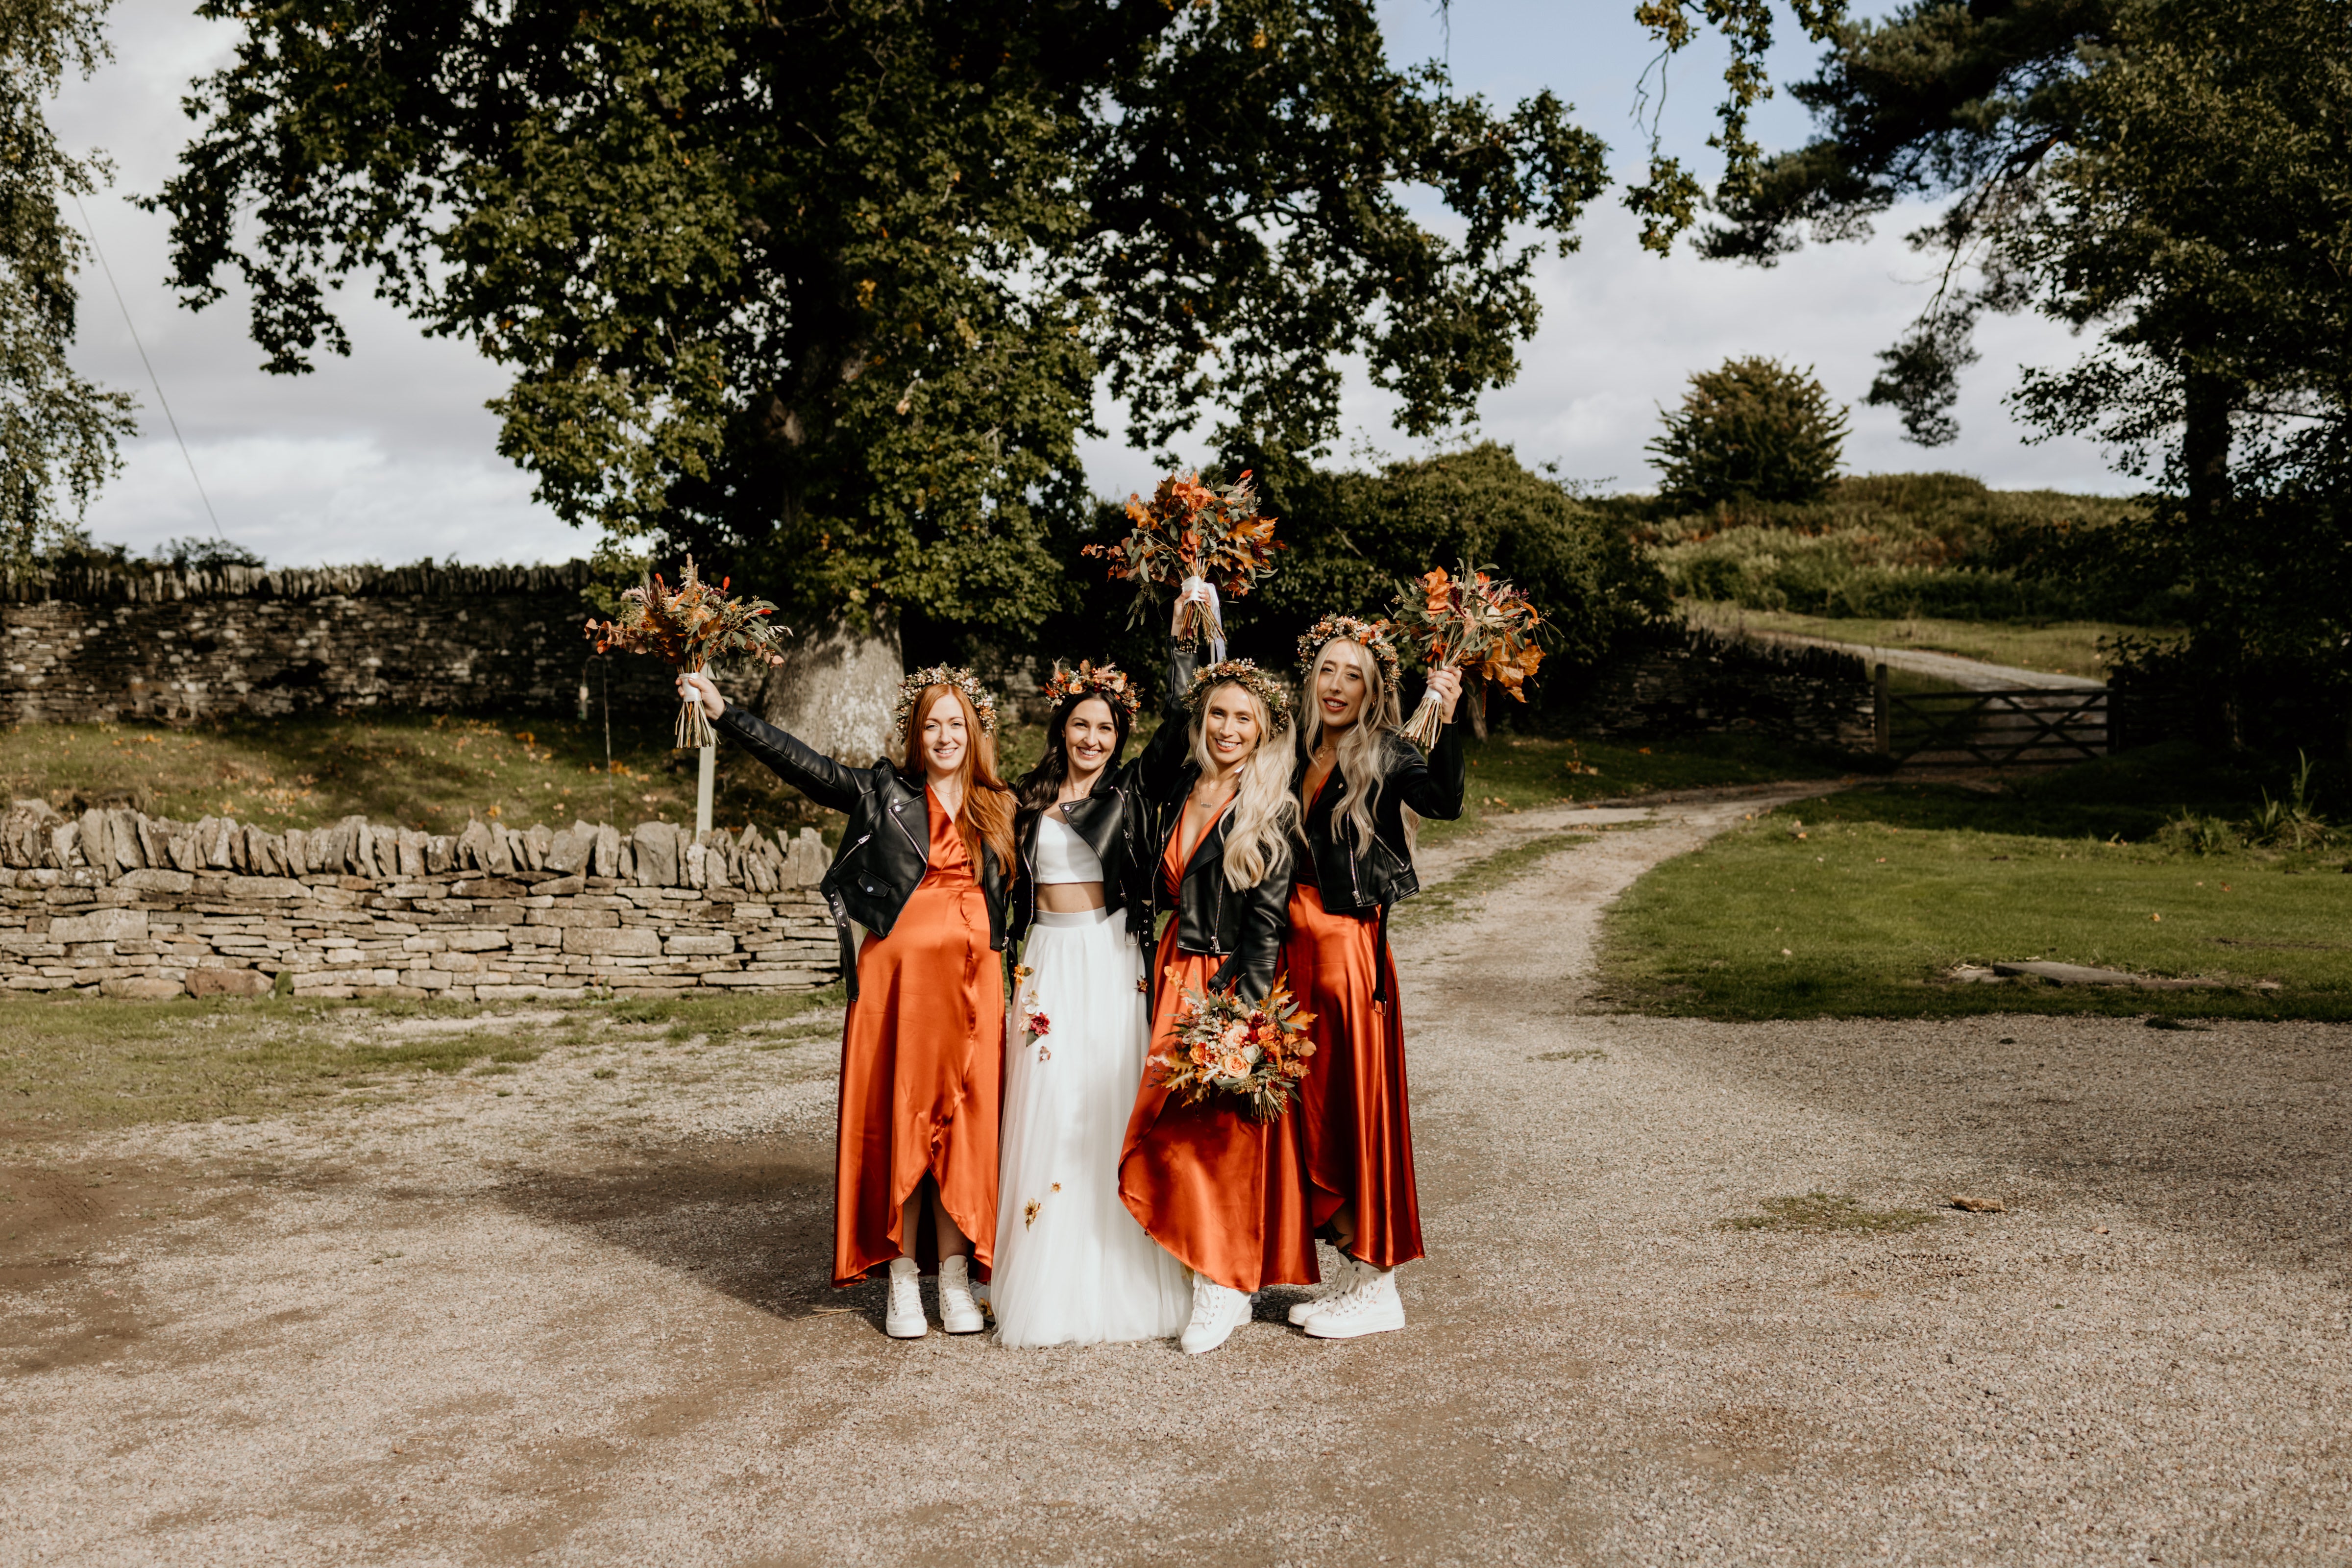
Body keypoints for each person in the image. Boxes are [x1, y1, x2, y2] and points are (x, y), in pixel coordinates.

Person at [681, 663, 1013, 1340]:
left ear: (974, 731)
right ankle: (900, 1283)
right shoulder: (883, 792)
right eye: (932, 725)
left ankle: (954, 1280)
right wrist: (726, 713)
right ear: (915, 735)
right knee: (904, 1123)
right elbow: (808, 768)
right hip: (900, 991)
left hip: (978, 986)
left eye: (956, 724)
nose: (945, 736)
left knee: (963, 1130)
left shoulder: (999, 805)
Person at [1119, 622, 1315, 1355]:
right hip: (1173, 971)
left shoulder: (1268, 805)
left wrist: (1240, 1020)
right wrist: (1183, 642)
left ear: (1264, 729)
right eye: (1218, 715)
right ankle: (1197, 1270)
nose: (1229, 729)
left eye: (1244, 718)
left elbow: (1266, 924)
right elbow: (1166, 728)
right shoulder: (1181, 785)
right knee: (1170, 1130)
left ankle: (1225, 1285)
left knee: (1219, 1138)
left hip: (1228, 980)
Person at [992, 662, 1191, 1347]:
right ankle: (1048, 1278)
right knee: (1047, 1105)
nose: (1092, 737)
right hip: (1045, 961)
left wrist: (1183, 644)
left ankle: (1120, 1279)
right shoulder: (1024, 797)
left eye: (1106, 727)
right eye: (1081, 723)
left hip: (1106, 960)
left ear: (1118, 737)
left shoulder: (1130, 791)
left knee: (1103, 1108)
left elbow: (1179, 730)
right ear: (1061, 727)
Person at [1279, 616, 1463, 1339]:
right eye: (1328, 670)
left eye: (1353, 675)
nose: (1336, 686)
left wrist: (1448, 717)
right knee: (1313, 1119)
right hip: (1289, 958)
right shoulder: (1292, 752)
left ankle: (1381, 1284)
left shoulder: (1386, 755)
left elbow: (1444, 802)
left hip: (1346, 960)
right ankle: (1356, 1276)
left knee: (1357, 1114)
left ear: (1375, 688)